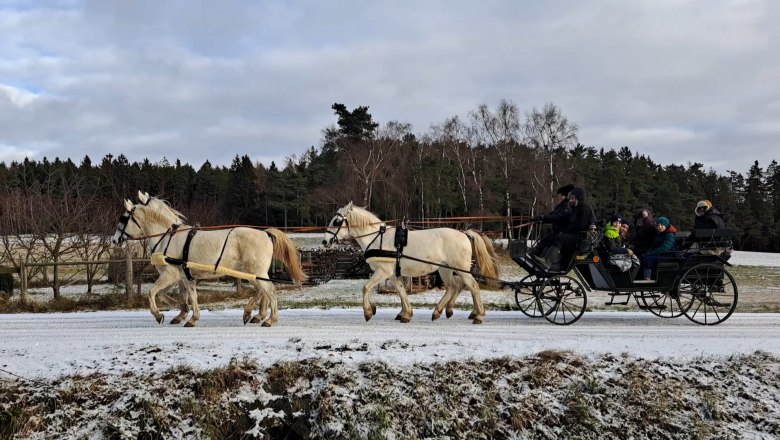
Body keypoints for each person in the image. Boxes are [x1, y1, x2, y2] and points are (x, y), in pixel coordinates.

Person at [532, 186, 596, 271]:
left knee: (560, 238)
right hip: (576, 235)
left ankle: (547, 261)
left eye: (573, 198)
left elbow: (580, 226)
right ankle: (544, 258)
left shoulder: (584, 208)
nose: (571, 200)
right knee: (556, 236)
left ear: (578, 198)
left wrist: (566, 231)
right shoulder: (575, 208)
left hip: (582, 237)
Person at [529, 183, 574, 256]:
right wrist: (539, 219)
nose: (559, 198)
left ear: (565, 196)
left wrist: (544, 218)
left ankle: (540, 256)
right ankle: (536, 254)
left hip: (562, 232)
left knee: (548, 239)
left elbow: (558, 217)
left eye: (561, 196)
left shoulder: (567, 207)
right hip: (556, 231)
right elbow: (551, 215)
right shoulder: (560, 206)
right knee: (545, 239)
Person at [639, 216, 678, 281]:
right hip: (661, 254)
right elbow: (654, 246)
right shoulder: (660, 233)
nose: (659, 227)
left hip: (668, 255)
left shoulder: (670, 235)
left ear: (666, 225)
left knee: (649, 259)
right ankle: (641, 276)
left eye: (662, 225)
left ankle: (647, 278)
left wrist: (651, 253)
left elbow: (665, 248)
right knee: (643, 256)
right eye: (658, 225)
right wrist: (648, 252)